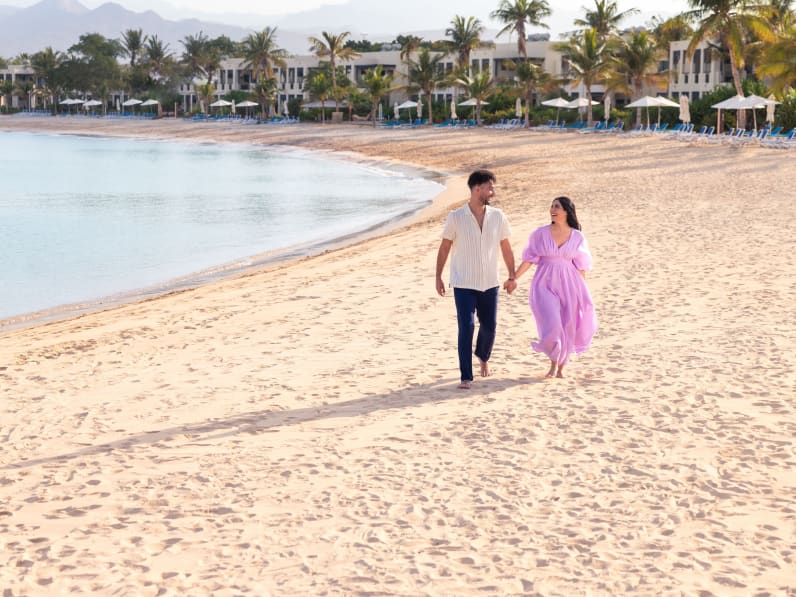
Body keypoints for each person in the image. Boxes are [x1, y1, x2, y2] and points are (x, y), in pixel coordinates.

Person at [436, 169, 516, 389]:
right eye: (490, 188)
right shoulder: (456, 217)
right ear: (477, 189)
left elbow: (506, 247)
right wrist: (438, 277)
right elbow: (444, 247)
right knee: (467, 326)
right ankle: (466, 376)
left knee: (490, 326)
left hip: (490, 282)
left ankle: (482, 355)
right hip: (463, 283)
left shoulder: (498, 217)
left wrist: (512, 275)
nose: (493, 192)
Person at [507, 196, 596, 378]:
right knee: (552, 322)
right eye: (551, 206)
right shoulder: (540, 234)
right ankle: (554, 362)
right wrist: (513, 277)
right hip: (544, 283)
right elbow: (529, 259)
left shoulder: (577, 237)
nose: (552, 209)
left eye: (557, 206)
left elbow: (581, 265)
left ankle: (560, 367)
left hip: (569, 284)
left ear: (566, 211)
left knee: (568, 324)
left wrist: (581, 291)